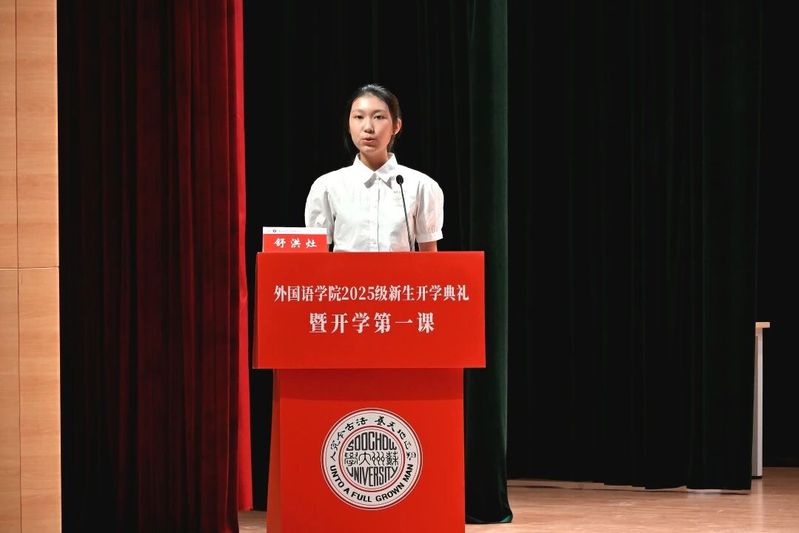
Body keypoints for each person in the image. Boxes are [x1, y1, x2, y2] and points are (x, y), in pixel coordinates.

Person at [304, 84, 444, 252]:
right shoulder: (327, 186)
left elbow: (430, 258)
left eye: (378, 117)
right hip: (344, 271)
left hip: (401, 271)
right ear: (348, 125)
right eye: (358, 117)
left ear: (396, 126)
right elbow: (316, 257)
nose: (368, 127)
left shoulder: (421, 185)